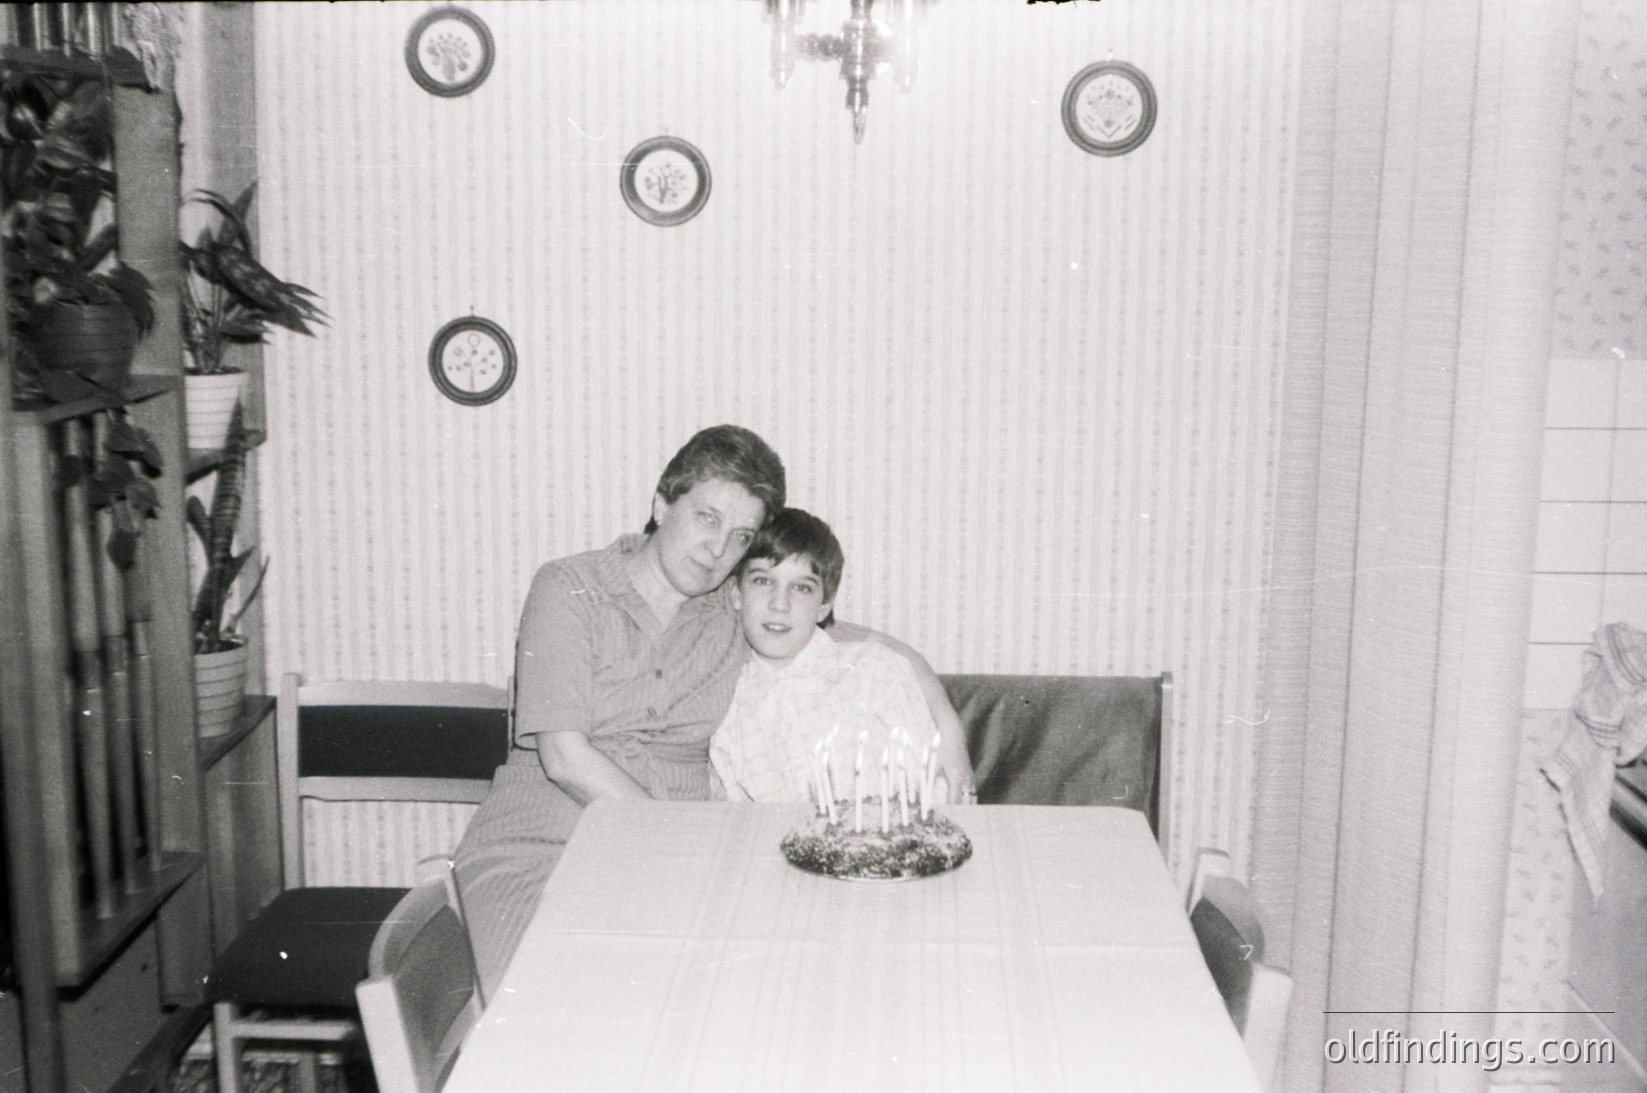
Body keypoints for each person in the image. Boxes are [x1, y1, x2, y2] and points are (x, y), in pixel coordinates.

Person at [452, 425, 972, 998]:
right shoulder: (570, 586)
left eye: (740, 534)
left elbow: (834, 630)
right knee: (547, 999)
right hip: (548, 840)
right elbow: (564, 757)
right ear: (661, 504)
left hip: (677, 859)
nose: (719, 548)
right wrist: (682, 849)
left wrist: (945, 718)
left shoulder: (729, 604)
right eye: (706, 518)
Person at [709, 508, 971, 807]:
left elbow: (941, 791)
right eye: (763, 581)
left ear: (824, 606)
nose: (779, 603)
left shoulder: (877, 671)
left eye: (802, 587)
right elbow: (731, 817)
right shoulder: (726, 702)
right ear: (736, 594)